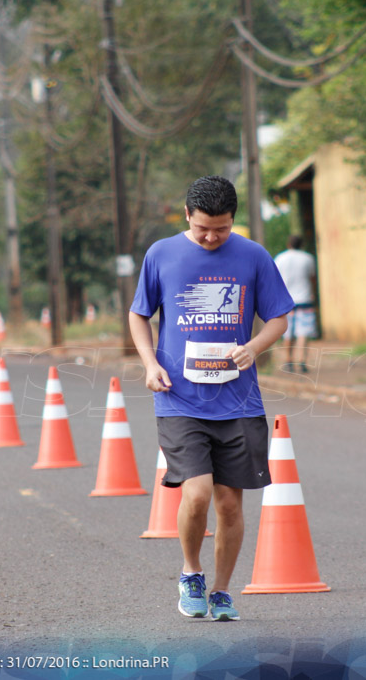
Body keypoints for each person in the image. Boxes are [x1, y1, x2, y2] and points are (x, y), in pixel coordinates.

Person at [128, 175, 293, 621]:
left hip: (239, 401)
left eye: (221, 228)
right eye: (203, 227)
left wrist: (254, 347)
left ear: (232, 220)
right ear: (187, 214)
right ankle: (191, 572)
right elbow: (139, 314)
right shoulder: (161, 254)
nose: (211, 237)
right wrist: (149, 364)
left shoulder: (253, 256)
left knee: (229, 502)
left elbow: (279, 317)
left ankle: (221, 590)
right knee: (197, 494)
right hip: (179, 397)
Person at [274, 234, 318, 373]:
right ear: (302, 245)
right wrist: (314, 296)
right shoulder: (308, 258)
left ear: (289, 244)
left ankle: (288, 361)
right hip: (305, 300)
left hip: (286, 301)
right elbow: (312, 279)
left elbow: (275, 280)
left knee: (287, 333)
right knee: (303, 333)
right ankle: (302, 361)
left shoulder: (280, 258)